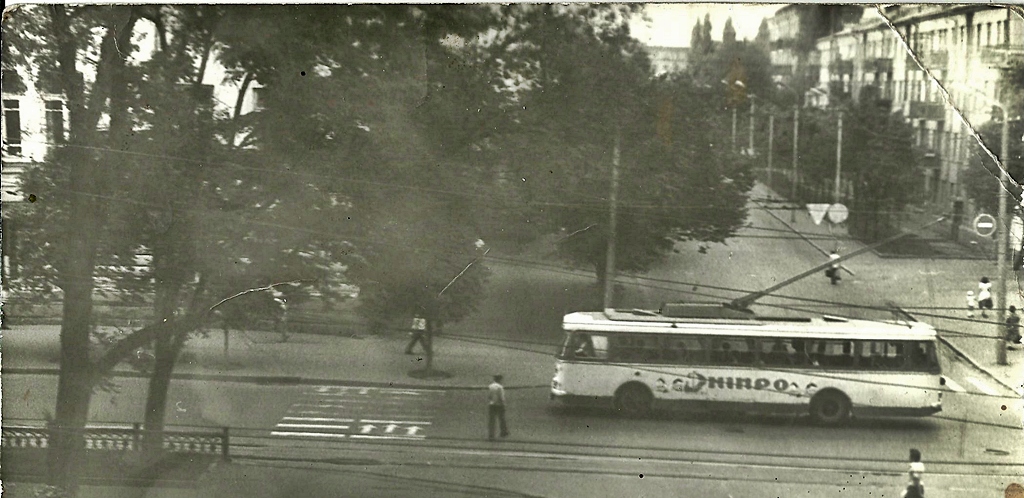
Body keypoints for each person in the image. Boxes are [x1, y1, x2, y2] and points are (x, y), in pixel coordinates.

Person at [487, 374, 509, 441]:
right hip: (499, 405)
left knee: (492, 421)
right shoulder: (500, 387)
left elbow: (489, 396)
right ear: (499, 380)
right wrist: (504, 404)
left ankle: (491, 435)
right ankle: (503, 432)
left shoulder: (490, 386)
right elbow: (501, 397)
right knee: (502, 419)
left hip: (492, 404)